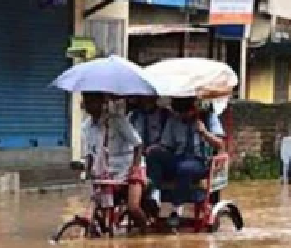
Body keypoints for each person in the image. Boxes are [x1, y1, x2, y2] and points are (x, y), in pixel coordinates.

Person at [156, 97, 226, 229]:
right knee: (155, 157)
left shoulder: (209, 118)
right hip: (178, 158)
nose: (181, 116)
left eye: (184, 112)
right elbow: (166, 145)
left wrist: (204, 133)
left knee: (184, 168)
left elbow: (220, 144)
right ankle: (153, 198)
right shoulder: (173, 120)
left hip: (200, 161)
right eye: (179, 113)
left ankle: (176, 208)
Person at [80, 92, 146, 227]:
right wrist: (87, 171)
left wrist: (134, 168)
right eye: (87, 102)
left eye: (93, 101)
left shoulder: (117, 121)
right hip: (106, 172)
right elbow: (89, 153)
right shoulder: (86, 127)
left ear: (102, 103)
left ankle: (145, 232)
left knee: (133, 207)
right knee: (95, 202)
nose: (90, 105)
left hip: (129, 168)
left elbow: (138, 144)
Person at [127, 96, 172, 212]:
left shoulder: (165, 115)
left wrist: (156, 147)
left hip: (160, 154)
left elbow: (168, 140)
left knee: (153, 154)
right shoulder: (133, 116)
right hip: (138, 154)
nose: (146, 99)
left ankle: (154, 192)